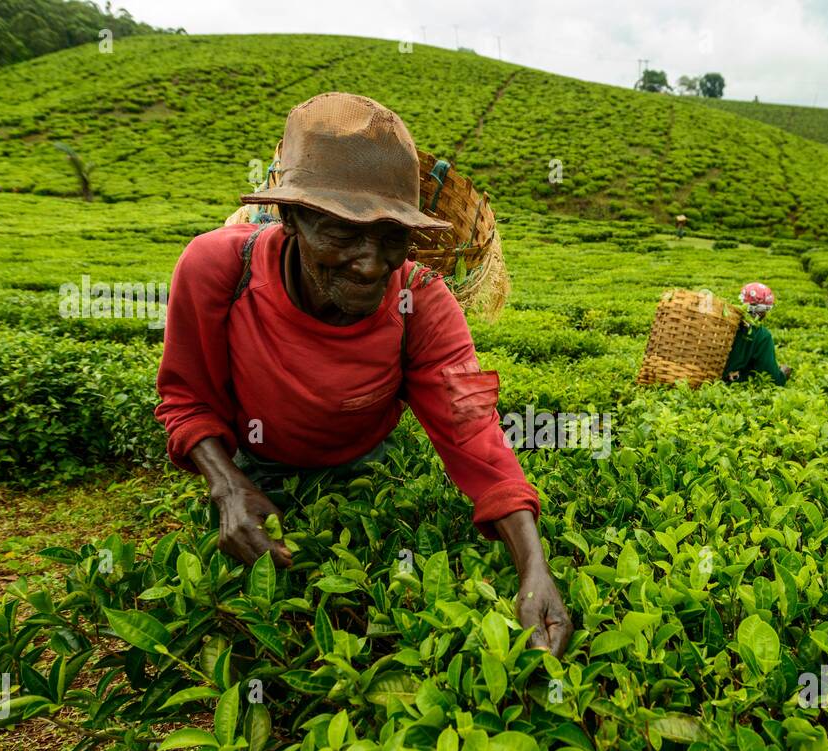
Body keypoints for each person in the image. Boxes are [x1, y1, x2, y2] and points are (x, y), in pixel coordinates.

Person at [153, 92, 572, 657]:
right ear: (293, 217)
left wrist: (534, 568)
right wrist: (226, 485)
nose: (371, 263)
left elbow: (474, 433)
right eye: (343, 233)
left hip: (362, 467)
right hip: (246, 464)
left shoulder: (422, 301)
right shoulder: (216, 268)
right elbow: (187, 399)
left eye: (392, 236)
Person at [720, 281, 792, 385]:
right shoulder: (762, 335)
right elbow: (771, 377)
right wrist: (783, 374)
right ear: (762, 311)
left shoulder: (723, 322)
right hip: (733, 387)